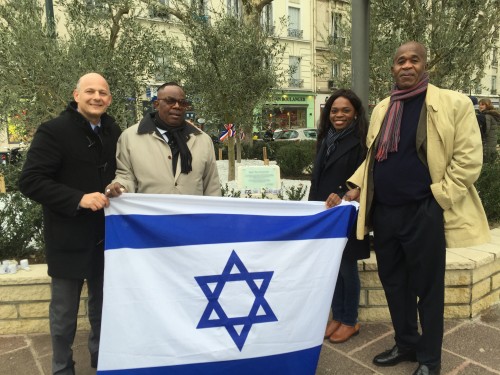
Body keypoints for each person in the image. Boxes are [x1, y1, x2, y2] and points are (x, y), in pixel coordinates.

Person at [332, 42, 490, 375]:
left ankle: (430, 359)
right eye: (400, 61)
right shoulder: (383, 109)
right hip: (386, 213)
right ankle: (405, 343)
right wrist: (358, 187)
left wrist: (439, 197)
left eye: (413, 60)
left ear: (424, 65)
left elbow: (469, 159)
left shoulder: (452, 103)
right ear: (392, 69)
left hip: (424, 211)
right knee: (394, 284)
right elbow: (374, 158)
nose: (406, 65)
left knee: (428, 289)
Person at [18, 72, 122, 374]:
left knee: (103, 310)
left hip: (107, 238)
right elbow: (31, 181)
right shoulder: (53, 131)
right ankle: (62, 368)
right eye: (90, 91)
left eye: (102, 92)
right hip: (67, 240)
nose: (97, 97)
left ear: (109, 99)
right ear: (76, 95)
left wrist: (117, 187)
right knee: (63, 317)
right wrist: (79, 198)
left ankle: (102, 362)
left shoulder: (113, 130)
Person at [309, 89, 370, 344]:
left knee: (346, 268)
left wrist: (343, 192)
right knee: (332, 268)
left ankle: (350, 320)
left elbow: (364, 178)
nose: (339, 115)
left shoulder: (362, 141)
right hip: (325, 213)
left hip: (346, 214)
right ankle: (337, 316)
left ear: (355, 113)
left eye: (345, 110)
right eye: (334, 110)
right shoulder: (327, 138)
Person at [105, 82, 220, 197]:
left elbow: (212, 185)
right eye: (170, 101)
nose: (177, 106)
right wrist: (120, 186)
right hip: (150, 214)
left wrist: (217, 213)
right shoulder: (129, 137)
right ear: (156, 104)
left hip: (192, 214)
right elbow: (126, 176)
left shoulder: (203, 140)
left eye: (182, 102)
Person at [478, 98, 499, 162]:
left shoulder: (486, 116)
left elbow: (486, 130)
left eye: (483, 105)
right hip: (492, 144)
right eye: (480, 104)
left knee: (485, 163)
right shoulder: (492, 115)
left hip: (487, 145)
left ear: (487, 106)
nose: (480, 106)